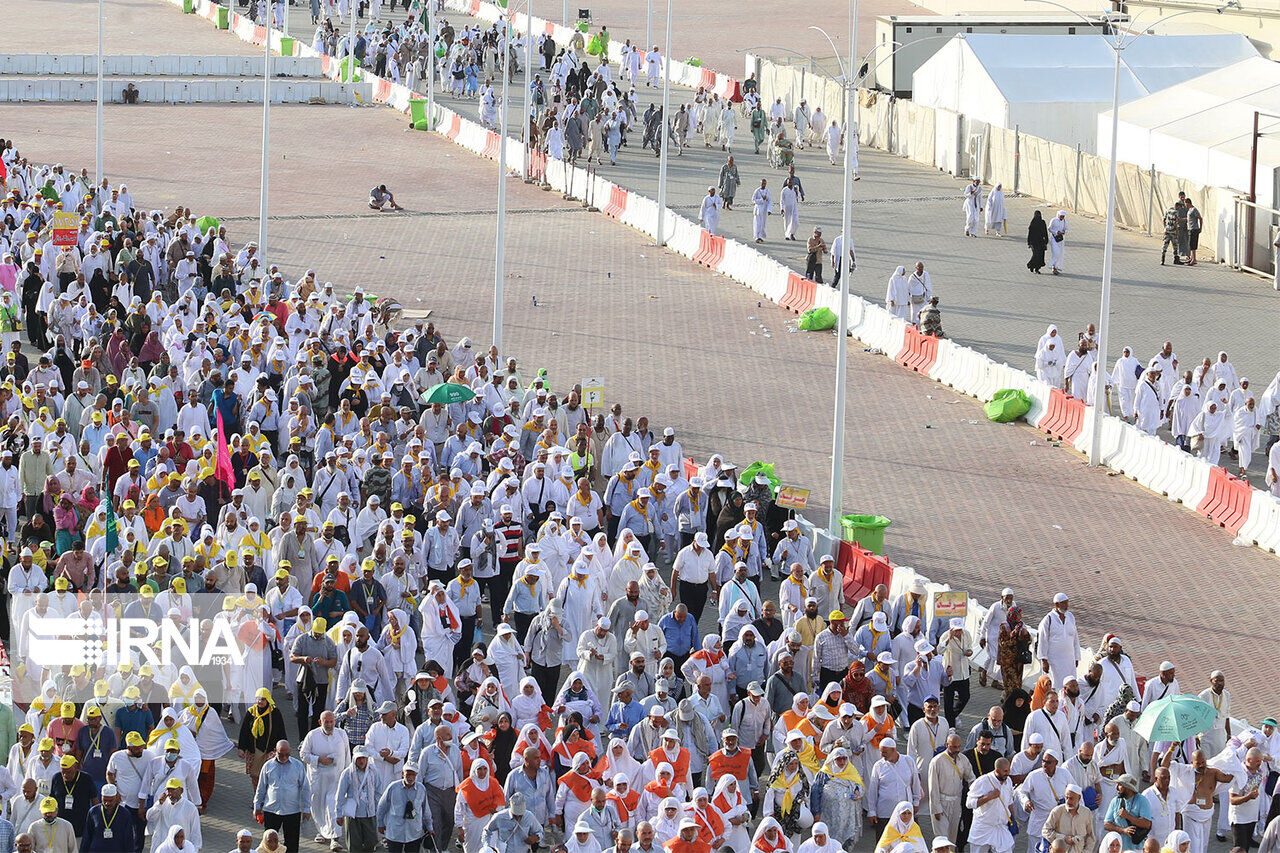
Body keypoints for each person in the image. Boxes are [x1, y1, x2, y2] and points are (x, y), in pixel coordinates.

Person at [253, 740, 311, 853]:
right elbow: (261, 788)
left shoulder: (298, 766)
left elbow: (305, 788)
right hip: (271, 810)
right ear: (275, 751)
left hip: (292, 811)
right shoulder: (268, 765)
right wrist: (257, 806)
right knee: (269, 843)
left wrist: (307, 808)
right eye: (281, 754)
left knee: (292, 844)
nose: (284, 757)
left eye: (287, 754)